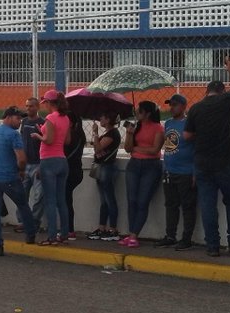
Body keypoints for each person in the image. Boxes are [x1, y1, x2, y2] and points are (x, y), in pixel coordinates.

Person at [184, 56, 230, 257]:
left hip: (202, 162)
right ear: (222, 91)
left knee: (208, 204)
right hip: (226, 161)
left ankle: (212, 246)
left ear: (206, 91)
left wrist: (202, 132)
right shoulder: (227, 100)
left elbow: (187, 135)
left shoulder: (196, 108)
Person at [0, 106, 37, 255]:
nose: (20, 122)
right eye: (18, 119)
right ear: (9, 117)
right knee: (23, 205)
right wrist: (21, 171)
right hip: (10, 177)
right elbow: (22, 159)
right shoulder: (13, 135)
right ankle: (30, 234)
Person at [121, 101, 163, 248]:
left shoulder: (158, 128)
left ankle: (134, 235)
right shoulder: (136, 127)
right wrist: (129, 134)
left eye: (139, 111)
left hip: (151, 166)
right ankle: (131, 232)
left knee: (142, 201)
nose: (137, 113)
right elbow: (127, 148)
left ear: (147, 114)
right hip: (134, 165)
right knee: (131, 200)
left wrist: (136, 149)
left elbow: (155, 149)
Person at [33, 89, 71, 245]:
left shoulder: (50, 117)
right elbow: (67, 141)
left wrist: (38, 135)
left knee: (49, 200)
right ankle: (64, 233)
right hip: (62, 160)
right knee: (61, 200)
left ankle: (52, 236)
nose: (44, 107)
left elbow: (48, 140)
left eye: (45, 103)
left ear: (49, 103)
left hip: (48, 160)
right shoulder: (65, 118)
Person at [158, 95, 196, 249]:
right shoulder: (168, 123)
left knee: (188, 206)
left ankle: (186, 238)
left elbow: (196, 148)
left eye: (174, 105)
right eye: (170, 105)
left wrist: (195, 171)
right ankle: (170, 235)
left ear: (183, 106)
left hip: (186, 172)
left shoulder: (189, 124)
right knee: (171, 205)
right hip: (169, 170)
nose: (171, 107)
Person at [89, 113, 122, 241]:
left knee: (109, 199)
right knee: (104, 201)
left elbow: (98, 149)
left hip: (107, 168)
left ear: (108, 119)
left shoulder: (112, 133)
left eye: (102, 116)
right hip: (102, 167)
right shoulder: (108, 133)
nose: (100, 119)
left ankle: (113, 229)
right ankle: (102, 227)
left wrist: (96, 132)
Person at [18, 97, 45, 232]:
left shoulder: (42, 123)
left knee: (39, 196)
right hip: (25, 163)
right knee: (22, 194)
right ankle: (23, 221)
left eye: (31, 106)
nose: (28, 108)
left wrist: (42, 165)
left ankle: (34, 221)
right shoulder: (24, 122)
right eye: (26, 106)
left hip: (37, 164)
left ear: (37, 107)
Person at [63, 109, 87, 241]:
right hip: (76, 170)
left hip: (70, 171)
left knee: (65, 200)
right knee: (66, 200)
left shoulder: (72, 135)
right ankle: (68, 229)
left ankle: (69, 229)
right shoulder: (79, 134)